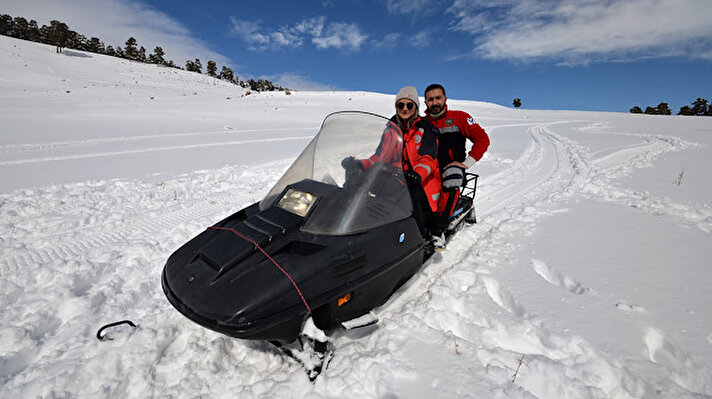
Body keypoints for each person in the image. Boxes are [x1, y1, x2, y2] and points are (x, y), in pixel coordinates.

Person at [342, 86, 441, 242]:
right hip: (396, 174)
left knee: (416, 196)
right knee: (360, 182)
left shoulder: (426, 129)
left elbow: (428, 158)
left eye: (409, 105)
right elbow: (380, 156)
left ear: (416, 107)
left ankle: (428, 234)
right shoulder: (391, 128)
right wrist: (360, 165)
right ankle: (349, 221)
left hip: (421, 177)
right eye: (400, 105)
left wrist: (417, 174)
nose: (405, 109)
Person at [424, 83, 490, 223]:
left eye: (438, 98)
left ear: (445, 99)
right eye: (430, 99)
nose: (434, 102)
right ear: (425, 102)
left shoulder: (460, 117)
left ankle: (440, 227)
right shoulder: (422, 123)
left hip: (451, 169)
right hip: (428, 169)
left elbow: (482, 139)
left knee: (452, 175)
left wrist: (465, 164)